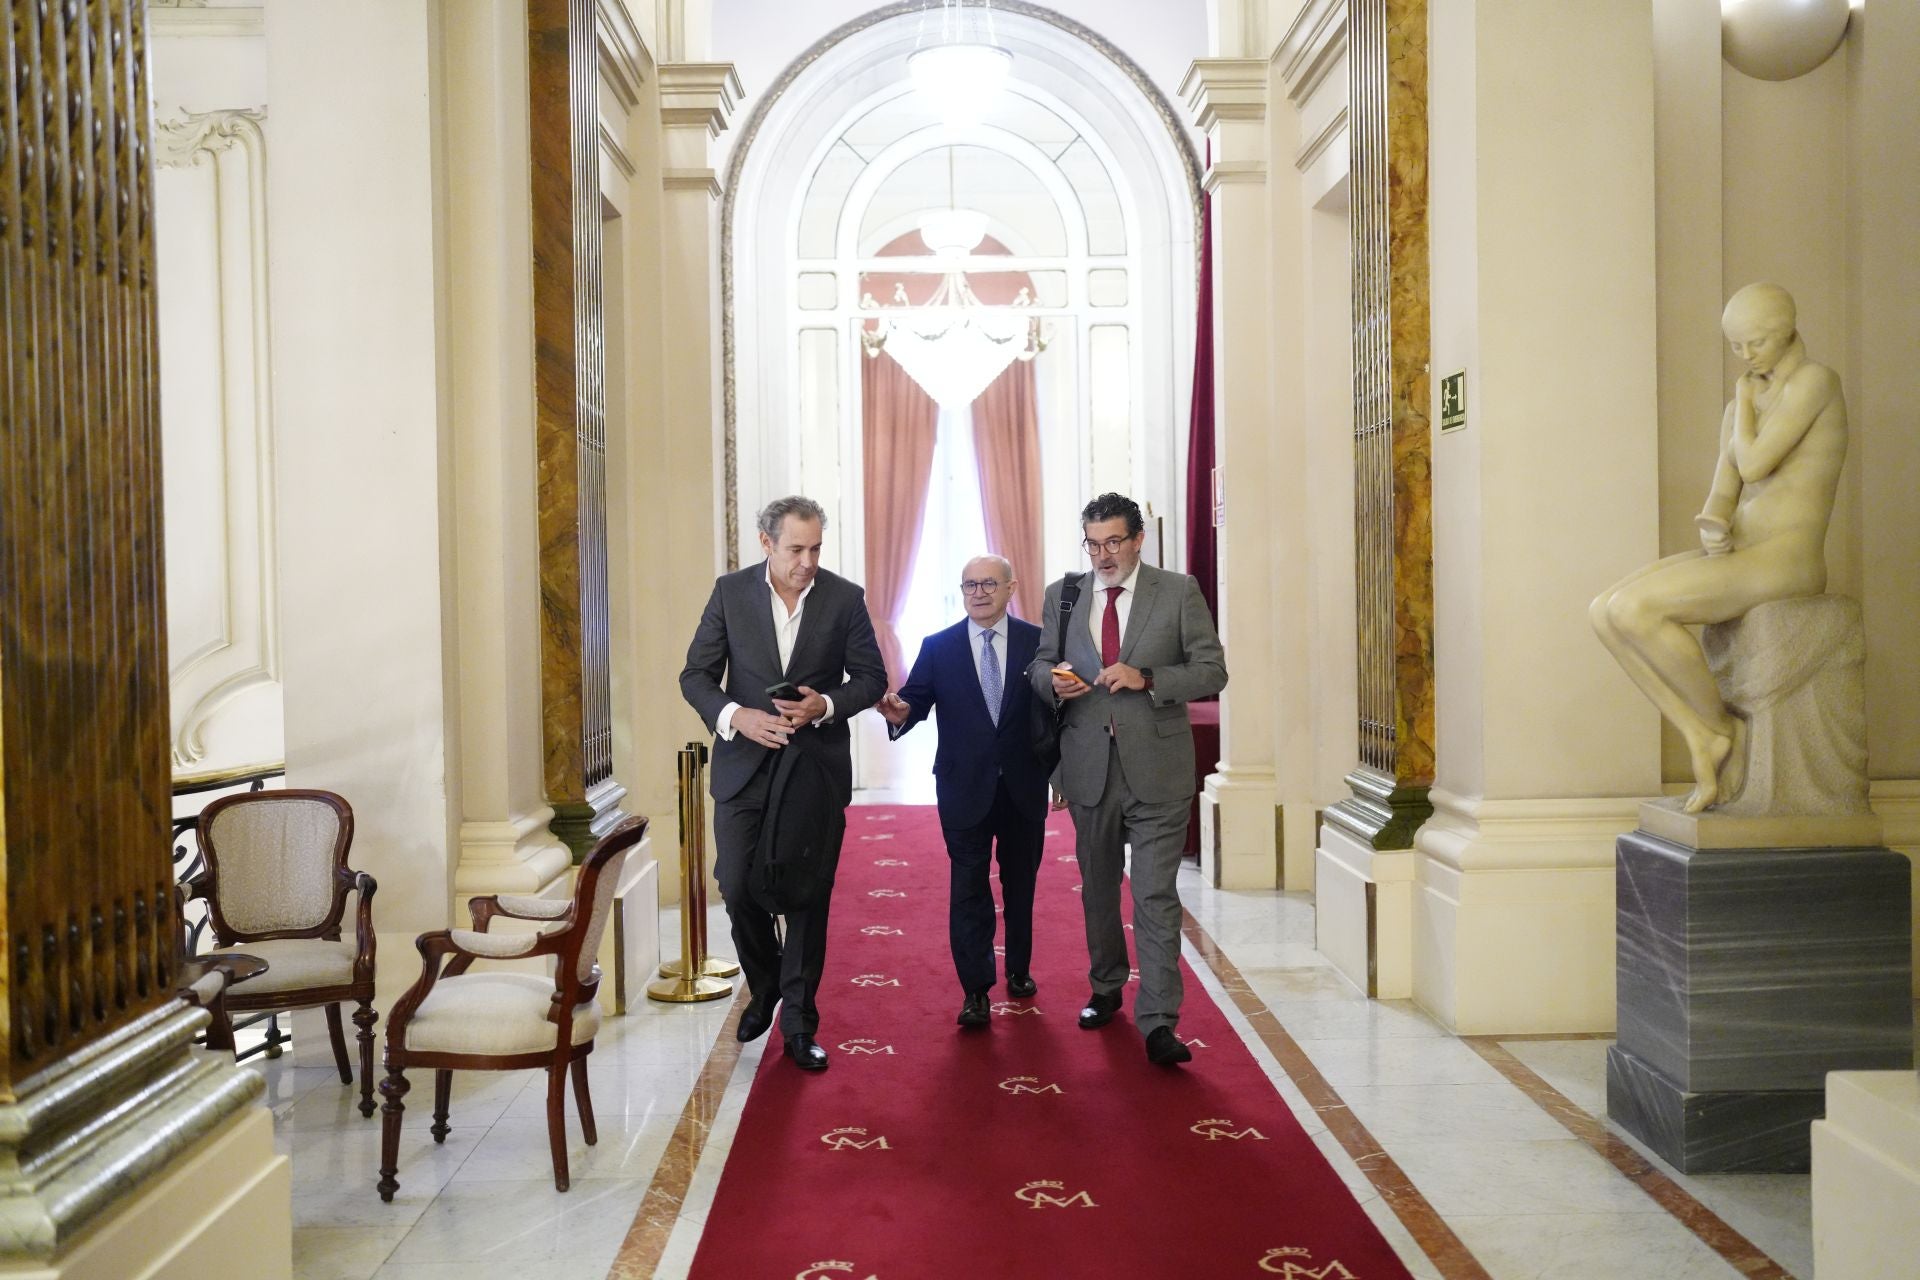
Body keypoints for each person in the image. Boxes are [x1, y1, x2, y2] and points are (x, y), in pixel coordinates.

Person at [1591, 283, 1847, 813]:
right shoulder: (1742, 404)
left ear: (1787, 331)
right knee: (1605, 612)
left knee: (1637, 610)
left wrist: (1744, 406)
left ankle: (1715, 728)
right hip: (1745, 553)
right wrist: (1714, 524)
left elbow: (1754, 464)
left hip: (1787, 560)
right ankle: (1703, 729)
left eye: (1756, 343)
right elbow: (1724, 489)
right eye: (1736, 346)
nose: (1747, 356)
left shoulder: (1815, 382)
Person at [679, 496, 888, 1072]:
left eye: (816, 548)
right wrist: (736, 716)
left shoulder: (844, 598)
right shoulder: (730, 593)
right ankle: (766, 983)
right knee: (737, 882)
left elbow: (871, 678)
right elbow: (695, 675)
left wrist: (825, 704)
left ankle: (798, 1023)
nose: (807, 561)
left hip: (814, 770)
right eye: (796, 549)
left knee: (806, 896)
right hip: (744, 763)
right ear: (767, 543)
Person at [1027, 493, 1227, 1065]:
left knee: (1154, 895)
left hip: (1158, 766)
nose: (1103, 554)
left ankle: (1160, 1020)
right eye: (1093, 543)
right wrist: (1053, 682)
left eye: (1114, 541)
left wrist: (1148, 678)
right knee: (1097, 890)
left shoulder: (1178, 590)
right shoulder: (1064, 596)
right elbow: (1040, 664)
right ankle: (1106, 985)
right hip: (1088, 766)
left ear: (1138, 539)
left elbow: (1213, 669)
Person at [877, 555, 1048, 1028]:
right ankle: (976, 989)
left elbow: (1054, 714)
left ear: (1011, 588)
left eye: (988, 583)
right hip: (963, 787)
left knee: (1021, 885)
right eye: (969, 584)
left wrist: (1062, 773)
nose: (978, 592)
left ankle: (1018, 968)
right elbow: (916, 699)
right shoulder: (940, 646)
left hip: (1023, 786)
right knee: (968, 890)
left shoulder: (1039, 644)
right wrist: (899, 713)